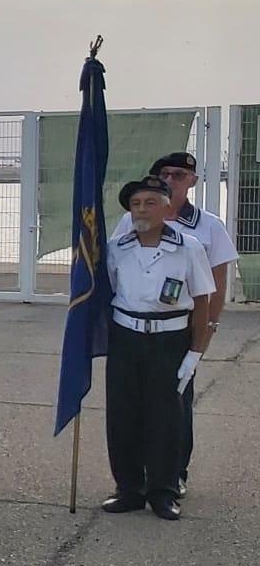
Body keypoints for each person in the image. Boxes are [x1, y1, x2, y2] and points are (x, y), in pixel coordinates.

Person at [107, 152, 232, 497]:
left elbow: (209, 294)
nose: (142, 209)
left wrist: (199, 345)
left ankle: (166, 486)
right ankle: (129, 488)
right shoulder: (118, 244)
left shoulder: (195, 241)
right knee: (124, 415)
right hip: (128, 336)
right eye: (136, 203)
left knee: (169, 416)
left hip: (171, 337)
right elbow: (110, 287)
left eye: (151, 202)